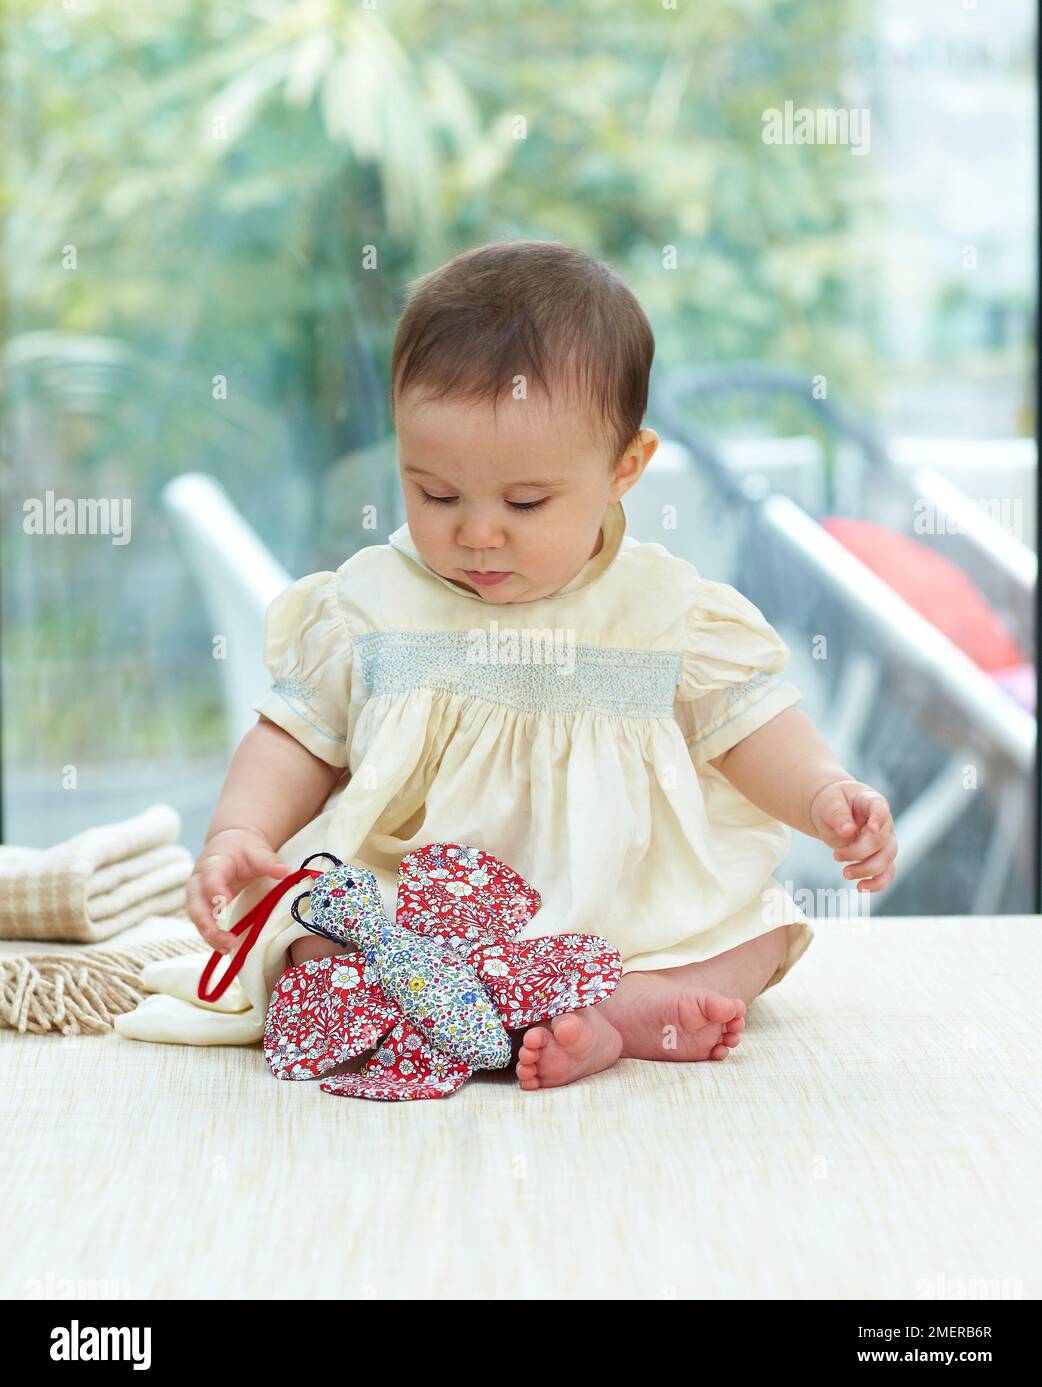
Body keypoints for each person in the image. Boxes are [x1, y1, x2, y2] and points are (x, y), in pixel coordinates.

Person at [183, 239, 897, 1090]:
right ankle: (516, 1007)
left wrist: (823, 794)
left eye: (526, 502)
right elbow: (296, 737)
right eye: (436, 493)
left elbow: (749, 725)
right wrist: (241, 832)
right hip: (417, 913)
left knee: (759, 931)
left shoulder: (666, 610)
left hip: (614, 911)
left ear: (623, 468)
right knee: (310, 932)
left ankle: (628, 1003)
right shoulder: (371, 604)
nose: (477, 532)